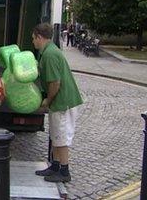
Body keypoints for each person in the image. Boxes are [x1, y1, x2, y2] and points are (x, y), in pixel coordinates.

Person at [32, 23, 83, 183]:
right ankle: (54, 166)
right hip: (59, 103)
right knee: (55, 135)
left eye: (33, 39)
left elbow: (55, 83)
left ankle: (64, 171)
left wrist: (48, 100)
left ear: (40, 37)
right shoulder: (49, 51)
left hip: (63, 103)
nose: (33, 42)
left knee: (61, 137)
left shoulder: (50, 55)